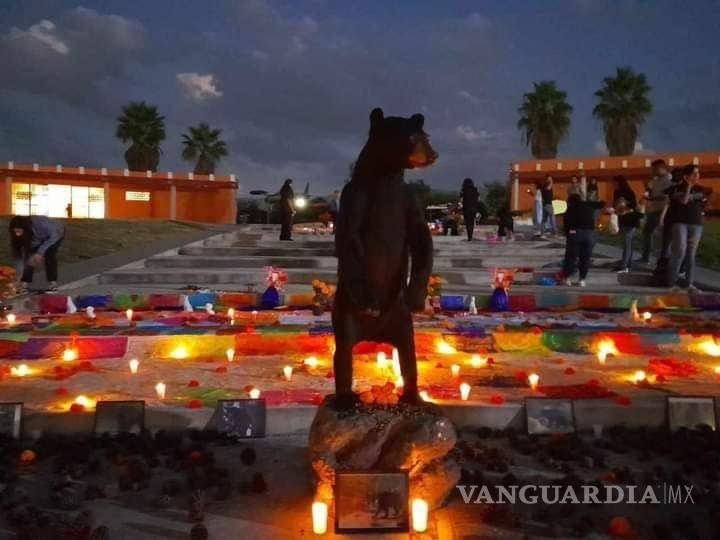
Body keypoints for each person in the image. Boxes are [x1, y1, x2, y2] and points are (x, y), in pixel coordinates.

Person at [665, 164, 712, 291]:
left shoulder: (701, 189)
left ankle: (689, 283)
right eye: (694, 174)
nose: (697, 176)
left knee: (691, 254)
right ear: (686, 176)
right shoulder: (675, 189)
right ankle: (672, 281)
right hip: (680, 223)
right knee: (680, 251)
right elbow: (684, 200)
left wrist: (699, 199)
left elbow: (703, 201)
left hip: (696, 223)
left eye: (698, 173)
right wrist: (689, 187)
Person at [9, 215, 65, 292]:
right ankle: (24, 283)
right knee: (29, 256)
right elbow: (20, 258)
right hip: (37, 238)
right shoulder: (21, 234)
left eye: (19, 232)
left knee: (50, 255)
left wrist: (40, 253)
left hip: (56, 234)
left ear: (25, 228)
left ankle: (53, 283)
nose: (17, 235)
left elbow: (54, 236)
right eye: (15, 232)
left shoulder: (42, 224)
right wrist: (18, 277)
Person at [560, 193, 605, 287]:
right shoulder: (588, 207)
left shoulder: (570, 209)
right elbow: (601, 204)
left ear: (570, 201)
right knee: (585, 258)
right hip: (589, 234)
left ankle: (567, 278)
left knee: (571, 257)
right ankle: (582, 280)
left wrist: (568, 233)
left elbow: (567, 225)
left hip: (575, 233)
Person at [639, 159, 672, 264]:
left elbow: (667, 197)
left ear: (660, 168)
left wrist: (653, 198)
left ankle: (663, 259)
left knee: (660, 236)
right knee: (646, 233)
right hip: (653, 210)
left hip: (662, 211)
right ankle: (645, 257)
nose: (652, 171)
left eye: (654, 169)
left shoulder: (669, 179)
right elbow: (652, 194)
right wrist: (647, 189)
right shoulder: (656, 180)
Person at [614, 199, 645, 273]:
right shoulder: (626, 213)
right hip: (629, 229)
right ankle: (627, 265)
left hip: (629, 230)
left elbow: (641, 215)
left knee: (627, 248)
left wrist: (642, 206)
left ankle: (624, 266)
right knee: (629, 248)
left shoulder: (629, 213)